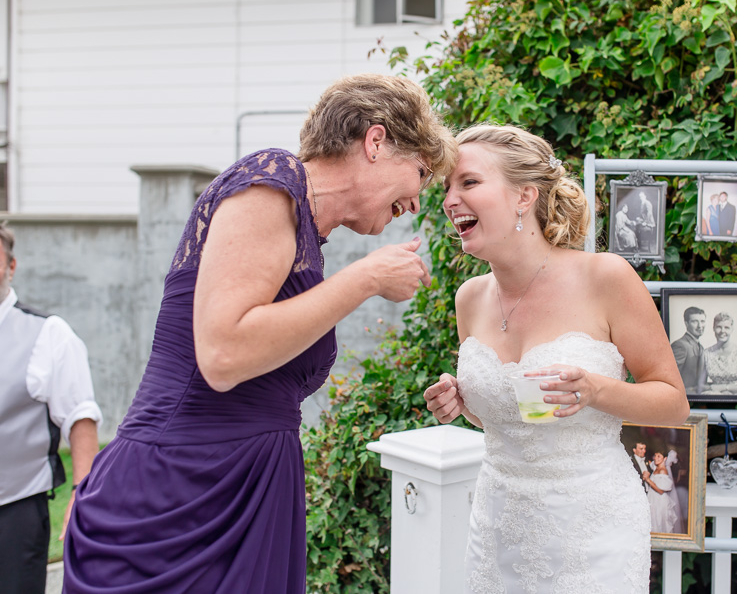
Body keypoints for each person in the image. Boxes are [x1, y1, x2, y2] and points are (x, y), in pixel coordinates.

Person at [63, 74, 458, 593]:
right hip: (181, 491)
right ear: (376, 142)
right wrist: (364, 280)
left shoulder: (310, 239)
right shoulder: (271, 180)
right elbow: (223, 353)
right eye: (421, 173)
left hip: (252, 488)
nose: (417, 200)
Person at [423, 125, 689, 593]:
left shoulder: (605, 277)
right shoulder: (469, 299)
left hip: (591, 532)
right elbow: (513, 422)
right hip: (497, 526)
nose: (449, 200)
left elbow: (673, 403)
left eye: (467, 183)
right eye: (446, 187)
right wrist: (465, 404)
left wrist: (595, 389)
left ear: (524, 196)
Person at [0, 222, 102, 594]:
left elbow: (80, 417)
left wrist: (82, 491)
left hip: (14, 508)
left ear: (11, 267)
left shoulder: (48, 333)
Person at [697, 311, 737, 395]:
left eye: (727, 327)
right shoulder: (706, 354)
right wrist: (715, 390)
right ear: (713, 328)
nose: (722, 331)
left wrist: (725, 388)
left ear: (732, 329)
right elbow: (700, 385)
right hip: (713, 398)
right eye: (719, 327)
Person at [642, 450, 682, 534]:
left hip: (659, 501)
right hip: (653, 499)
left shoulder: (663, 471)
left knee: (659, 522)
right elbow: (651, 464)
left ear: (665, 458)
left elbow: (660, 490)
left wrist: (648, 479)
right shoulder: (656, 468)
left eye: (659, 456)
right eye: (655, 455)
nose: (655, 458)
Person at [670, 306, 706, 393]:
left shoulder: (701, 347)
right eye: (695, 322)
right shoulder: (680, 345)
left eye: (702, 321)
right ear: (686, 323)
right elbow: (670, 377)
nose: (700, 326)